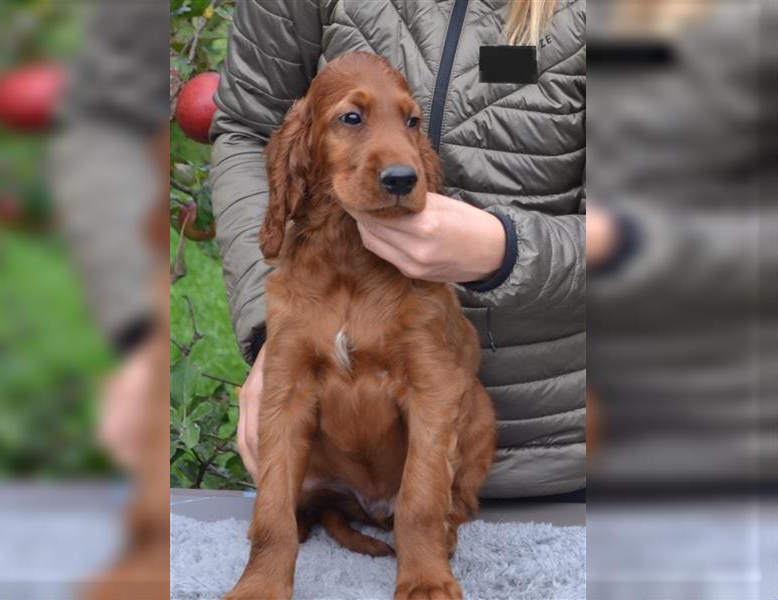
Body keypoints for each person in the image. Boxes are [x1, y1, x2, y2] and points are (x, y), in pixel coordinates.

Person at [211, 0, 586, 498]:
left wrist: (507, 251)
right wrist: (278, 337)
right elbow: (250, 130)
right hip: (338, 452)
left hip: (554, 456)